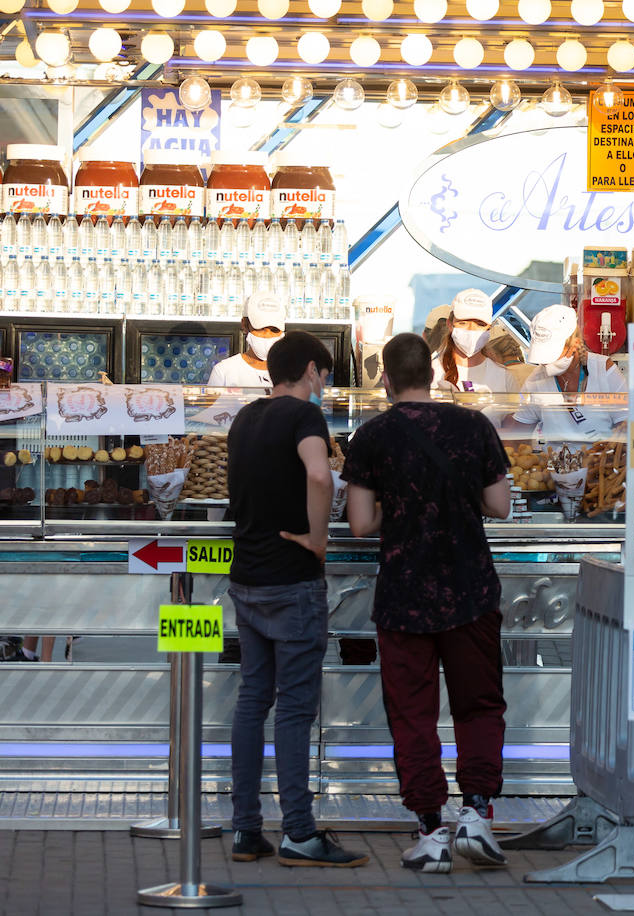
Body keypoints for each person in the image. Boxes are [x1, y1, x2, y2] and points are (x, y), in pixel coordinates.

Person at [343, 333, 512, 871]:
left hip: (404, 596)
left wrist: (405, 510)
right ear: (435, 373)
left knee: (413, 714)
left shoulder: (370, 437)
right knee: (479, 704)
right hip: (471, 590)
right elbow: (501, 506)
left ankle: (430, 829)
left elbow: (362, 523)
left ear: (386, 379)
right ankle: (479, 814)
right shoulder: (474, 425)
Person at [226, 331, 367, 868]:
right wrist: (317, 537)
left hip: (248, 579)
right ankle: (300, 834)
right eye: (325, 376)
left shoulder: (245, 417)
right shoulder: (305, 417)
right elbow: (317, 474)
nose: (325, 386)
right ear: (311, 369)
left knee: (252, 700)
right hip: (292, 582)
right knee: (294, 710)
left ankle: (245, 830)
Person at [510, 304, 626, 442]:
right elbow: (517, 436)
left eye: (551, 356)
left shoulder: (604, 370)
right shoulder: (535, 381)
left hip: (599, 460)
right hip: (554, 461)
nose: (546, 364)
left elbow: (626, 426)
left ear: (575, 344)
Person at [430, 288, 517, 393]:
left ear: (489, 328)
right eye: (463, 323)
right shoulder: (431, 371)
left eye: (480, 324)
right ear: (450, 324)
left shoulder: (503, 376)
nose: (471, 330)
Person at [208, 291, 287, 388]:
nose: (267, 335)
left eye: (274, 330)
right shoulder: (224, 372)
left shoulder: (294, 373)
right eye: (261, 328)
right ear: (245, 325)